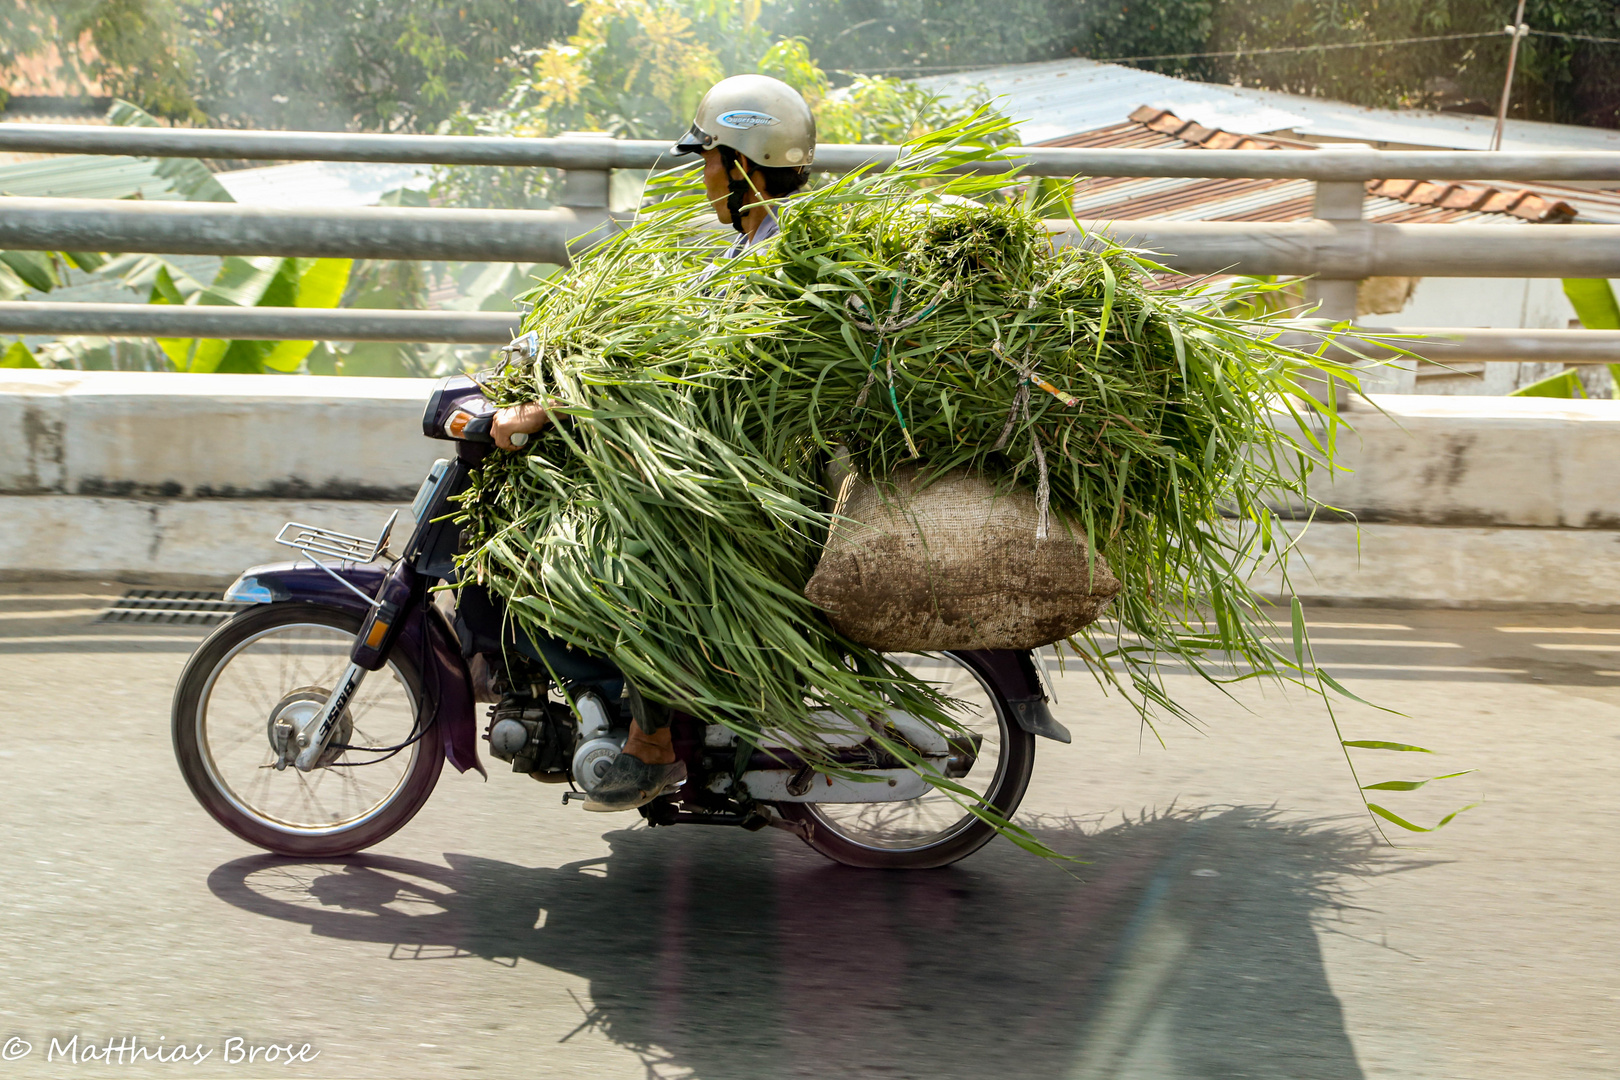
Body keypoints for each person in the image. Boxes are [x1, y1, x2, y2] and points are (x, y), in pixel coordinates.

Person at [488, 74, 816, 811]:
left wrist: (560, 405)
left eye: (709, 161)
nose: (701, 177)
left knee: (622, 554)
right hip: (739, 455)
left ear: (742, 165)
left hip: (746, 479)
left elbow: (699, 370)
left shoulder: (772, 257)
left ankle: (653, 742)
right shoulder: (757, 243)